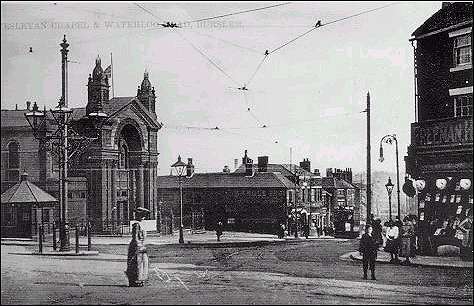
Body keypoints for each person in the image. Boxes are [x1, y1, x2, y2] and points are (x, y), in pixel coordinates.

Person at [125, 207, 150, 287]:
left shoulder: (142, 224)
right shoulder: (136, 224)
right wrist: (138, 246)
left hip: (141, 245)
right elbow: (135, 237)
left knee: (143, 262)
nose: (143, 217)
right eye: (142, 215)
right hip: (136, 246)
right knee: (136, 262)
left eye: (144, 216)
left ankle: (141, 279)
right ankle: (134, 280)